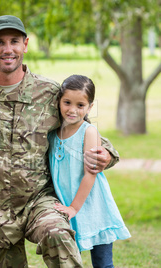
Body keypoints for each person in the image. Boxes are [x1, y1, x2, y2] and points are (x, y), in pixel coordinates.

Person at [0, 15, 120, 267]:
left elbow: (84, 129)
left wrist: (106, 154)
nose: (8, 49)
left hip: (39, 202)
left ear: (26, 44)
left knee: (58, 234)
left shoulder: (50, 92)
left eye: (14, 41)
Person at [48, 74, 131, 268]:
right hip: (68, 201)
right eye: (67, 102)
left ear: (90, 107)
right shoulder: (54, 131)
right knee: (70, 258)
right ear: (59, 101)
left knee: (102, 263)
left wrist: (74, 208)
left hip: (93, 205)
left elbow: (90, 174)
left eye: (80, 105)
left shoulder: (88, 131)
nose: (72, 110)